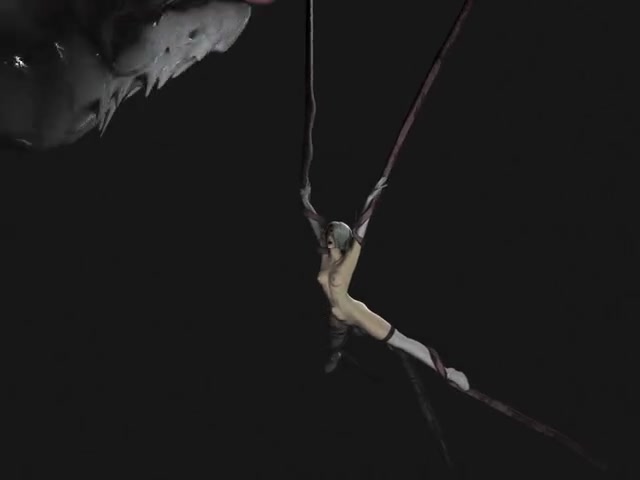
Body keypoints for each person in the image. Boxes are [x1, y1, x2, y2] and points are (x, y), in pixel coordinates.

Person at [302, 182, 470, 390]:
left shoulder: (347, 260)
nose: (328, 238)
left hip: (355, 312)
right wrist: (306, 199)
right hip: (336, 313)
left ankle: (449, 372)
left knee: (400, 340)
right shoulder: (325, 257)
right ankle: (336, 355)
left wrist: (371, 198)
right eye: (328, 235)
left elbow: (361, 228)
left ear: (339, 239)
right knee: (335, 341)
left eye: (332, 236)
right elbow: (315, 222)